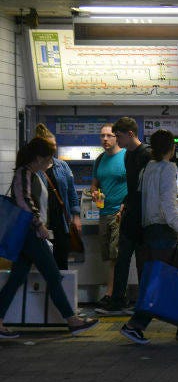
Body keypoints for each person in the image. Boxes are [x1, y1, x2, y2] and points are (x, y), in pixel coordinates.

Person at [0, 137, 98, 339]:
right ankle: (72, 321)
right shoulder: (24, 173)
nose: (48, 163)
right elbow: (25, 202)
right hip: (31, 234)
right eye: (47, 159)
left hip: (30, 234)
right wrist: (39, 224)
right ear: (38, 158)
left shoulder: (32, 173)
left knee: (17, 278)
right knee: (53, 276)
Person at [119, 130, 178, 344]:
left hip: (148, 229)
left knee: (162, 279)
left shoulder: (148, 168)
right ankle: (135, 325)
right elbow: (168, 202)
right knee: (162, 280)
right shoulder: (167, 168)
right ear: (171, 149)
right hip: (162, 230)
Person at [96, 117, 151, 315]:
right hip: (129, 214)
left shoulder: (146, 155)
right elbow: (132, 187)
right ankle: (117, 300)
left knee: (142, 262)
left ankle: (143, 303)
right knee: (121, 259)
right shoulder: (128, 155)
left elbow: (146, 189)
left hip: (143, 218)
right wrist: (124, 205)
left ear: (130, 134)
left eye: (117, 136)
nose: (115, 140)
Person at [33, 124, 81, 270]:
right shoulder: (33, 168)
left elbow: (71, 192)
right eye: (51, 145)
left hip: (61, 222)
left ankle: (60, 290)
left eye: (55, 145)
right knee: (44, 264)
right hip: (42, 223)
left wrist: (76, 216)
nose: (54, 148)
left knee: (61, 262)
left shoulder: (62, 166)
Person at [90, 123, 127, 309]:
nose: (105, 139)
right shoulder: (99, 160)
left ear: (117, 137)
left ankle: (111, 293)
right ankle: (115, 293)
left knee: (115, 255)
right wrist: (95, 193)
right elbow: (94, 185)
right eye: (102, 136)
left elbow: (134, 185)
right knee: (108, 255)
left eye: (109, 135)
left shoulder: (126, 157)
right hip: (103, 212)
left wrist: (125, 206)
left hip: (119, 213)